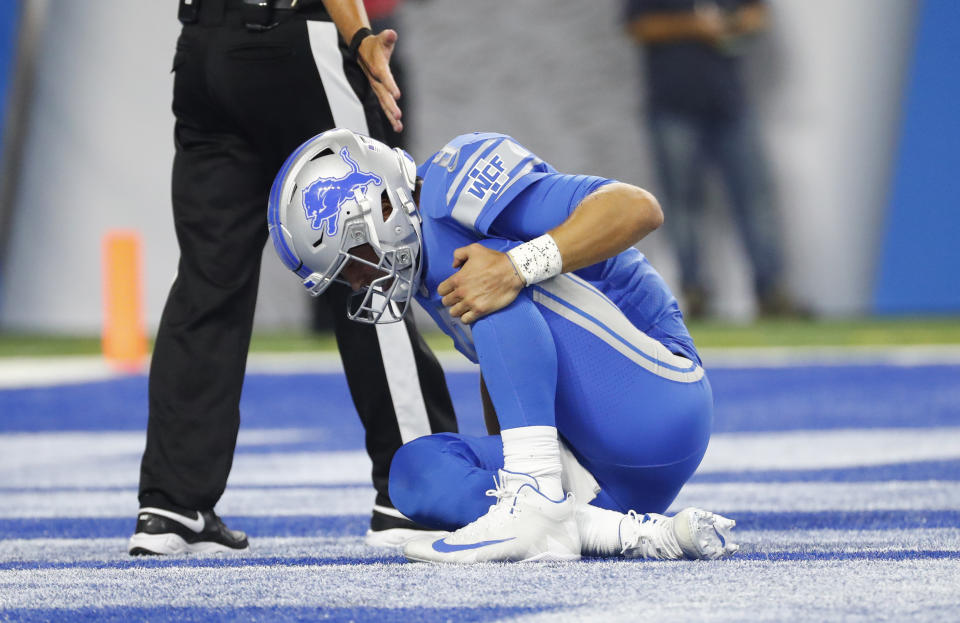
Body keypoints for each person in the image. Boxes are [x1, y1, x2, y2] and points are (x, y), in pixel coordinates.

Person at [267, 128, 739, 563]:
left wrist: (515, 266)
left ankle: (539, 499)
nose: (359, 281)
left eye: (353, 261)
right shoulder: (428, 259)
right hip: (597, 468)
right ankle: (620, 531)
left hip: (658, 400)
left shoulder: (453, 186)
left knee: (482, 277)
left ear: (381, 206)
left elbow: (638, 207)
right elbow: (509, 369)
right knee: (413, 473)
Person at [128, 0, 459, 556]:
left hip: (202, 50)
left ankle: (172, 503)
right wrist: (359, 37)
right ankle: (415, 490)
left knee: (209, 279)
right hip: (294, 41)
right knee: (368, 261)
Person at [626, 0, 794, 317]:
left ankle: (772, 292)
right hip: (672, 106)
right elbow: (639, 26)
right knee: (682, 206)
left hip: (729, 102)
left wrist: (738, 24)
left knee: (755, 200)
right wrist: (696, 26)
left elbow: (757, 14)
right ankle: (695, 293)